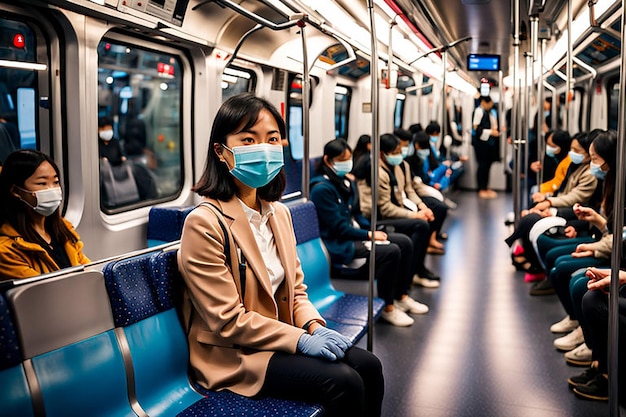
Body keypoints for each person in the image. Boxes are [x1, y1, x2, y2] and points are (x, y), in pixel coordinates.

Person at [177, 93, 384, 416]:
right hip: (235, 353)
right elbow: (229, 321)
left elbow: (296, 291)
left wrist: (314, 326)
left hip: (280, 334)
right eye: (248, 139)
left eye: (272, 139)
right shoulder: (204, 224)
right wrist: (300, 341)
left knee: (368, 366)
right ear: (221, 151)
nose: (264, 148)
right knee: (344, 382)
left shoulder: (278, 214)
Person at [310, 138, 428, 327]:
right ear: (328, 160)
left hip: (355, 233)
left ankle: (400, 296)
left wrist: (373, 230)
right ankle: (387, 307)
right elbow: (338, 228)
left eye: (349, 158)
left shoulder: (345, 182)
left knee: (404, 242)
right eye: (342, 159)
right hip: (340, 242)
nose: (347, 163)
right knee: (391, 251)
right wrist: (369, 235)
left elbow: (356, 214)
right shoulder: (321, 189)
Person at [357, 133, 441, 288]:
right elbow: (385, 208)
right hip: (378, 216)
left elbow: (407, 190)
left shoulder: (398, 167)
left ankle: (415, 270)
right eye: (395, 152)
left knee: (429, 216)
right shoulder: (377, 172)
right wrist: (414, 215)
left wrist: (422, 207)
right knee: (420, 225)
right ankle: (408, 277)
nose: (399, 154)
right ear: (383, 153)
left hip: (397, 207)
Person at [0, 150, 90, 280]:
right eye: (42, 183)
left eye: (55, 182)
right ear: (15, 191)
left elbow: (89, 273)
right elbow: (45, 292)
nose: (52, 190)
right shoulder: (7, 250)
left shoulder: (63, 230)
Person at [472, 96, 500, 199]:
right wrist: (491, 132)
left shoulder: (488, 112)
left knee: (487, 165)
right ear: (484, 102)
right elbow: (477, 129)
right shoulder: (479, 111)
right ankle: (481, 188)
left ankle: (485, 187)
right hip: (481, 144)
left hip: (487, 143)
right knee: (482, 166)